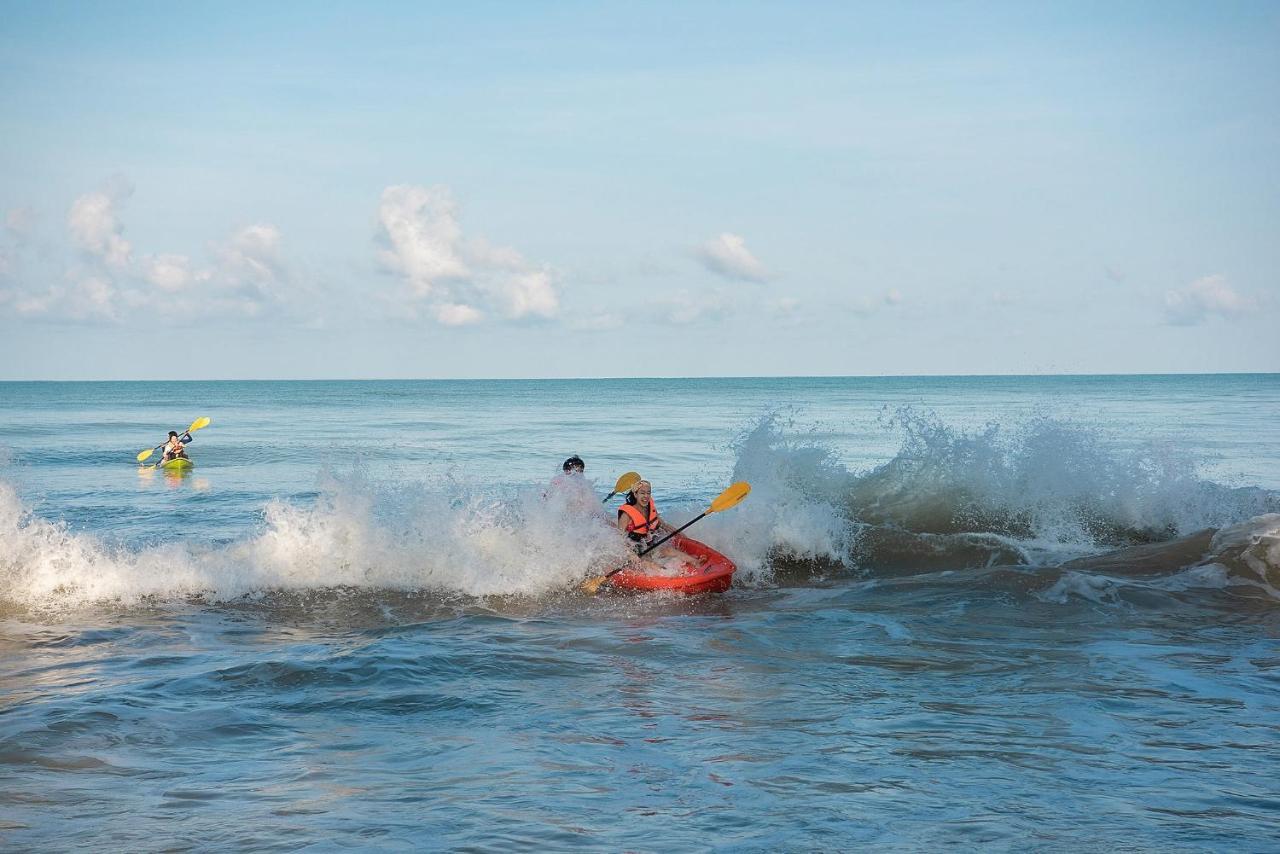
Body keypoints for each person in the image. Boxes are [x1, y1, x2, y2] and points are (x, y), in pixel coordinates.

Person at [616, 479, 677, 562]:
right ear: (635, 494)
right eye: (642, 493)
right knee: (648, 562)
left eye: (648, 493)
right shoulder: (626, 515)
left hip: (650, 544)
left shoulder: (650, 509)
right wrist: (631, 555)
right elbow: (620, 539)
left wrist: (680, 534)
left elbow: (663, 525)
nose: (646, 496)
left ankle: (697, 563)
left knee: (670, 551)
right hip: (635, 548)